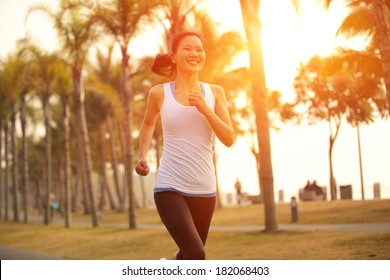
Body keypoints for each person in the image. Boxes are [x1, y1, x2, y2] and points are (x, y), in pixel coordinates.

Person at [135, 31, 234, 260]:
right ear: (174, 56)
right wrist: (142, 156)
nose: (195, 53)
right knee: (197, 254)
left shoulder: (215, 93)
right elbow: (148, 123)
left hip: (205, 189)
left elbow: (228, 138)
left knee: (189, 257)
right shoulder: (159, 93)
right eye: (188, 48)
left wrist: (205, 109)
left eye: (199, 49)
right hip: (170, 186)